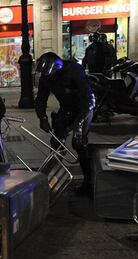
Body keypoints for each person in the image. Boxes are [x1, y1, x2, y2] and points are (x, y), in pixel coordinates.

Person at [35, 52, 95, 194]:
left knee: (79, 144)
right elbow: (41, 98)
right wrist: (42, 118)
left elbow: (87, 99)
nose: (48, 76)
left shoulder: (74, 70)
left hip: (84, 107)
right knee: (56, 143)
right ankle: (51, 180)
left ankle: (89, 182)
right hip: (66, 108)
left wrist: (79, 125)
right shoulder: (46, 77)